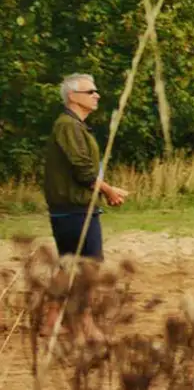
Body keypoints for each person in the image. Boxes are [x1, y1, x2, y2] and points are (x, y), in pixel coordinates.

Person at [45, 73, 127, 262]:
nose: (97, 95)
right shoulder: (68, 126)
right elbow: (83, 172)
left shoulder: (75, 126)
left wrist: (108, 189)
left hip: (78, 210)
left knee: (78, 271)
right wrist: (108, 191)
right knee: (88, 271)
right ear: (72, 96)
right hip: (73, 212)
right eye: (90, 91)